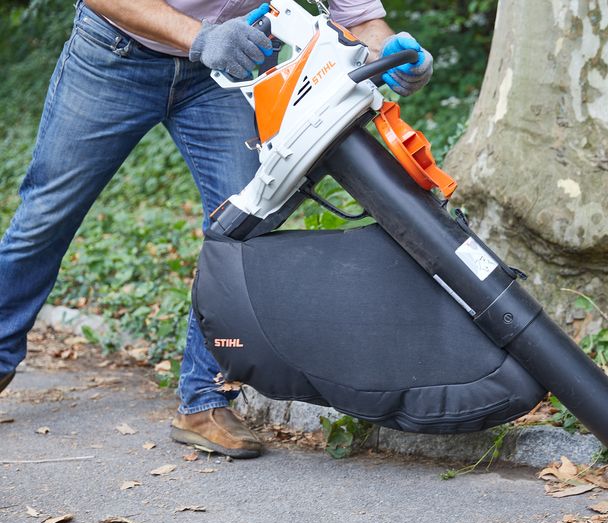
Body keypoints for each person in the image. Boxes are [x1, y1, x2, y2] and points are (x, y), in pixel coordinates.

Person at [0, 0, 432, 458]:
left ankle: (205, 402)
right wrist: (202, 37)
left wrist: (396, 53)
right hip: (118, 52)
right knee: (46, 216)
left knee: (243, 225)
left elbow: (360, 19)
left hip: (230, 71)